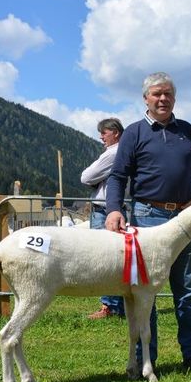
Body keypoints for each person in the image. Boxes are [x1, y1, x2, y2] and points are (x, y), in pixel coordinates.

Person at [105, 72, 191, 374]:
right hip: (147, 218)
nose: (163, 99)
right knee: (145, 293)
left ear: (174, 98)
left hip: (183, 220)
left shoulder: (188, 132)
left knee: (187, 290)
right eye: (156, 94)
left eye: (167, 94)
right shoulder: (134, 133)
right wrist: (114, 209)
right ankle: (144, 359)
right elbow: (117, 176)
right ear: (146, 99)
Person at [81, 117, 125, 320]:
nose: (101, 137)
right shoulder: (123, 151)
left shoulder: (113, 153)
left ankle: (110, 306)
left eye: (104, 133)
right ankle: (118, 304)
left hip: (105, 210)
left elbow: (86, 177)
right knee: (118, 257)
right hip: (116, 208)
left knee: (106, 258)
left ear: (115, 133)